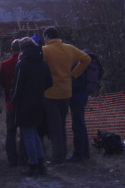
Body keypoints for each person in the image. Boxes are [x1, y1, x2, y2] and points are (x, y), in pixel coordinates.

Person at [41, 26, 91, 164]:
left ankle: (58, 157)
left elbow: (39, 65)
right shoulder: (70, 48)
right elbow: (86, 59)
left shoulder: (45, 50)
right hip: (66, 92)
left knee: (54, 127)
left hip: (50, 93)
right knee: (62, 125)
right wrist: (74, 74)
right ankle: (62, 154)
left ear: (46, 37)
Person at [11, 37, 53, 176]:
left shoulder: (22, 64)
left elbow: (17, 86)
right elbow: (49, 83)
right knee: (34, 134)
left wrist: (12, 100)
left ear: (22, 49)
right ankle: (41, 163)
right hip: (39, 101)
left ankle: (33, 165)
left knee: (28, 135)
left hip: (25, 103)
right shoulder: (43, 63)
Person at [0, 38, 23, 166]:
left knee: (10, 132)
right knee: (26, 131)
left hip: (10, 103)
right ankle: (24, 158)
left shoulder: (5, 64)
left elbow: (2, 83)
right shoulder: (27, 62)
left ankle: (12, 159)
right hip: (25, 104)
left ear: (12, 49)